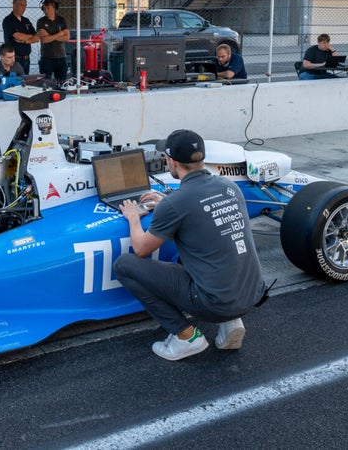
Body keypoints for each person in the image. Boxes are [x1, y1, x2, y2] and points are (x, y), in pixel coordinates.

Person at [113, 129, 267, 361]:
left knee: (125, 265)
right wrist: (167, 203)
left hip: (215, 304)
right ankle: (231, 324)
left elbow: (142, 250)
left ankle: (185, 337)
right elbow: (200, 214)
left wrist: (133, 217)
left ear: (171, 162)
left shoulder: (176, 204)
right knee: (209, 246)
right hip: (253, 294)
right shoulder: (229, 187)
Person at [2, 0, 39, 74]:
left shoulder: (26, 21)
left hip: (26, 59)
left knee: (25, 82)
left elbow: (37, 38)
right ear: (14, 4)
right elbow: (18, 36)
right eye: (22, 5)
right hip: (14, 59)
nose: (24, 8)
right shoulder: (8, 20)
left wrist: (26, 41)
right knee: (15, 83)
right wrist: (31, 36)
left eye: (25, 5)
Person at [36, 0, 70, 84]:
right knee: (46, 83)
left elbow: (67, 37)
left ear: (54, 8)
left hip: (61, 56)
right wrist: (59, 34)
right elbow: (44, 40)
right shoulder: (41, 21)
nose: (45, 11)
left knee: (62, 82)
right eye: (44, 8)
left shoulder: (61, 20)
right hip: (47, 57)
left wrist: (50, 36)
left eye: (48, 8)